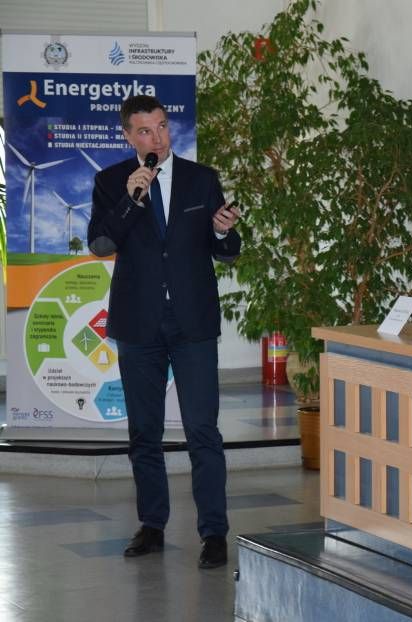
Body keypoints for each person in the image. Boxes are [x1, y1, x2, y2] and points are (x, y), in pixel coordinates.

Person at [87, 95, 242, 569]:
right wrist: (131, 200)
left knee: (202, 430)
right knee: (144, 432)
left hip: (192, 321)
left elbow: (227, 250)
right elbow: (101, 243)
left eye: (161, 127)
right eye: (145, 131)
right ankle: (152, 525)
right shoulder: (111, 181)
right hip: (139, 322)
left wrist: (223, 231)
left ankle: (213, 532)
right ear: (128, 136)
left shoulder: (202, 179)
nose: (157, 138)